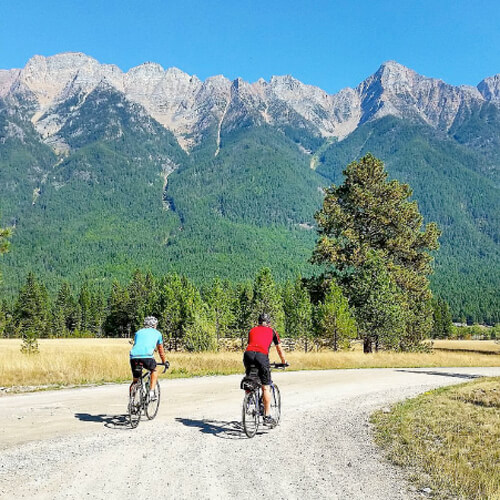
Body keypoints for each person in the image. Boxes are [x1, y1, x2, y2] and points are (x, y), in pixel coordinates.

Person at [243, 313, 287, 426]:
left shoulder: (252, 330)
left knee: (250, 378)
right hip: (262, 356)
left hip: (248, 355)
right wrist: (283, 362)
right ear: (269, 323)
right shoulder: (272, 331)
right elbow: (279, 349)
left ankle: (248, 400)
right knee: (266, 387)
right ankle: (267, 417)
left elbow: (251, 345)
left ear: (258, 322)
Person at [129, 316, 167, 401]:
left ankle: (131, 401)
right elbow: (160, 350)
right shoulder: (157, 333)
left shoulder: (138, 332)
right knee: (154, 370)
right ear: (154, 325)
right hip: (147, 356)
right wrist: (164, 361)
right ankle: (152, 392)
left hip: (134, 357)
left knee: (135, 381)